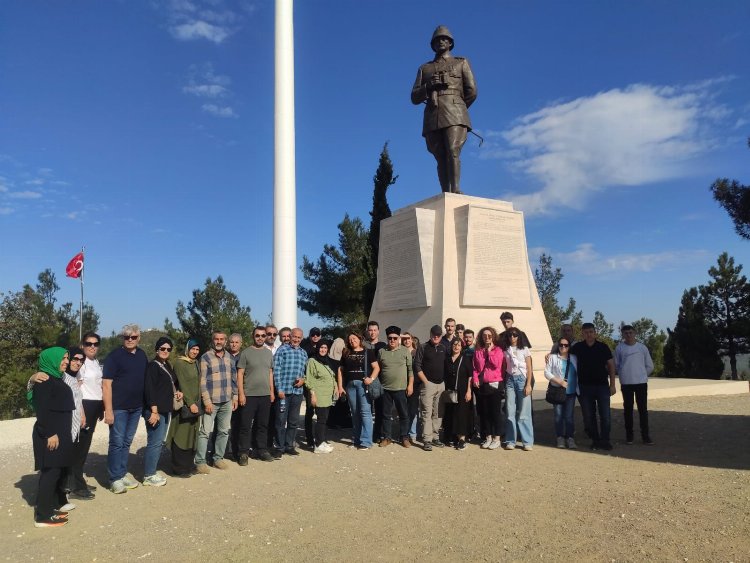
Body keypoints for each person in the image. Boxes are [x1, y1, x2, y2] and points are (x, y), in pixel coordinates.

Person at [411, 25, 477, 194]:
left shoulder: (461, 62)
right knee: (439, 155)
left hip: (456, 112)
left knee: (453, 149)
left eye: (444, 39)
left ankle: (455, 190)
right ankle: (445, 192)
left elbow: (472, 91)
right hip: (433, 114)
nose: (441, 41)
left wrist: (459, 107)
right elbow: (414, 97)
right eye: (437, 39)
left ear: (450, 43)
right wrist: (429, 86)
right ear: (433, 44)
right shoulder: (424, 68)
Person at [30, 347, 75, 527]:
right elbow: (42, 410)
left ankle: (52, 506)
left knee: (57, 471)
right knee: (50, 473)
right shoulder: (44, 381)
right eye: (62, 358)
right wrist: (49, 433)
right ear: (52, 360)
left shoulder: (56, 378)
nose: (66, 361)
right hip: (50, 434)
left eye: (67, 358)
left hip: (59, 433)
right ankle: (42, 516)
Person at [103, 324, 148, 494]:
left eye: (133, 337)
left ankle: (121, 473)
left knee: (127, 442)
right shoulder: (114, 357)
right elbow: (106, 384)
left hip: (136, 408)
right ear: (122, 338)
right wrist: (108, 410)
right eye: (126, 337)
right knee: (116, 442)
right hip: (118, 408)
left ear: (139, 338)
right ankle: (114, 478)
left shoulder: (142, 355)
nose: (130, 340)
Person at [195, 331, 238, 473]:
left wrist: (235, 396)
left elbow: (234, 378)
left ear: (225, 341)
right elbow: (202, 382)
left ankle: (217, 458)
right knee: (204, 432)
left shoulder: (230, 357)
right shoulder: (206, 357)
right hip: (211, 402)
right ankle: (200, 461)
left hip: (226, 401)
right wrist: (206, 401)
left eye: (221, 339)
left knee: (223, 431)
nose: (219, 341)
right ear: (212, 341)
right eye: (216, 339)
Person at [143, 337, 182, 487]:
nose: (165, 351)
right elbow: (149, 389)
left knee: (159, 442)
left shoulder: (166, 365)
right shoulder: (153, 366)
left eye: (168, 349)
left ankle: (151, 471)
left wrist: (178, 391)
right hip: (155, 411)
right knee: (154, 442)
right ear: (157, 349)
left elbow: (173, 383)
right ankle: (148, 475)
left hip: (165, 410)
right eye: (162, 348)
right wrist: (153, 411)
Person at [571, 323, 616, 451]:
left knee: (605, 415)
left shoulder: (603, 347)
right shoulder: (577, 347)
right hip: (585, 387)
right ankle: (595, 440)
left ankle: (605, 440)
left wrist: (612, 384)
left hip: (602, 386)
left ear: (595, 333)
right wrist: (550, 356)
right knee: (589, 416)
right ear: (582, 334)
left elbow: (611, 366)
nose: (589, 334)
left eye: (591, 332)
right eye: (586, 332)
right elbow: (566, 359)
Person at [71, 332, 103, 499]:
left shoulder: (94, 362)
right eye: (88, 343)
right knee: (80, 448)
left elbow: (97, 385)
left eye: (95, 343)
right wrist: (82, 412)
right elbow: (76, 388)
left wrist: (101, 408)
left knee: (84, 446)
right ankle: (76, 486)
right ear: (82, 344)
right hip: (85, 408)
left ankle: (77, 480)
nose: (92, 346)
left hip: (94, 407)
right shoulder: (80, 363)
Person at [236, 327, 276, 464]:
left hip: (265, 395)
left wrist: (271, 392)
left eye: (263, 335)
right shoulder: (246, 353)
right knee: (245, 425)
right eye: (257, 335)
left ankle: (261, 450)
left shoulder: (268, 353)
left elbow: (270, 373)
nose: (260, 338)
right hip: (249, 395)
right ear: (253, 336)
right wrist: (241, 394)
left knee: (262, 425)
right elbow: (240, 374)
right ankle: (243, 453)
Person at [337, 331, 380, 450]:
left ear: (359, 339)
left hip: (363, 385)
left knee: (365, 413)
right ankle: (357, 440)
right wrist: (340, 386)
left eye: (354, 338)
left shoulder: (368, 352)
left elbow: (376, 367)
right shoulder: (346, 353)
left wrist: (371, 379)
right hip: (350, 386)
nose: (352, 341)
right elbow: (340, 370)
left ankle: (366, 442)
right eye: (350, 339)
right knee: (355, 413)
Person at [166, 338, 201, 476]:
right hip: (185, 406)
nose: (195, 352)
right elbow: (182, 384)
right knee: (181, 434)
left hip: (195, 405)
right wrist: (190, 402)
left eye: (197, 349)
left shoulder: (196, 363)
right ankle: (178, 468)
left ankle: (188, 465)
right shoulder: (180, 363)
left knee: (191, 435)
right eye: (193, 349)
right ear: (187, 349)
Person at [615, 325, 654, 445]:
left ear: (635, 333)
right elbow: (616, 365)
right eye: (626, 333)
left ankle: (645, 436)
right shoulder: (619, 348)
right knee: (628, 410)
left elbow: (650, 365)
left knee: (643, 410)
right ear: (622, 335)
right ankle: (629, 436)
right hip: (626, 383)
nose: (628, 335)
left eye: (630, 332)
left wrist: (642, 375)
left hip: (641, 383)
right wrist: (623, 375)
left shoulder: (642, 348)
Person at [272, 328, 308, 456]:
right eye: (294, 337)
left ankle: (289, 445)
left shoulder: (304, 353)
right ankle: (279, 447)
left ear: (302, 338)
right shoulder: (282, 350)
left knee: (293, 421)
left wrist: (303, 380)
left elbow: (306, 373)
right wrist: (279, 389)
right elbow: (276, 370)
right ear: (290, 336)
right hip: (284, 392)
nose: (296, 339)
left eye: (299, 337)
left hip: (297, 393)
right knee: (280, 420)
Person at [377, 326, 413, 448]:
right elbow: (378, 368)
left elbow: (410, 370)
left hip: (401, 388)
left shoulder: (405, 351)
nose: (392, 340)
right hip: (385, 389)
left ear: (399, 338)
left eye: (394, 338)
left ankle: (404, 437)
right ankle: (387, 437)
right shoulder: (382, 351)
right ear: (387, 338)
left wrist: (410, 385)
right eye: (390, 338)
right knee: (386, 414)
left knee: (403, 414)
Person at [414, 325, 447, 451]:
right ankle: (427, 439)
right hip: (428, 384)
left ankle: (435, 436)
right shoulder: (423, 347)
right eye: (434, 334)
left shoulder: (444, 348)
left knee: (438, 412)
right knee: (426, 412)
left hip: (441, 384)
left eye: (438, 335)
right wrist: (425, 382)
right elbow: (417, 365)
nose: (436, 336)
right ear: (430, 333)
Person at [472, 327, 505, 450]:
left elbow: (496, 364)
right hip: (483, 384)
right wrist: (475, 378)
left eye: (489, 336)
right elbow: (475, 367)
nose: (487, 338)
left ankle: (497, 438)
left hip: (495, 384)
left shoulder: (498, 350)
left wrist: (490, 351)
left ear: (493, 337)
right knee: (485, 413)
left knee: (495, 412)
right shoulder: (478, 351)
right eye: (484, 335)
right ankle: (488, 437)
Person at [544, 337, 578, 449]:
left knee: (569, 417)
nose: (563, 347)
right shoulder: (553, 357)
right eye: (561, 345)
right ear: (558, 346)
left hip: (571, 392)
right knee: (558, 416)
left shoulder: (574, 358)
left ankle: (570, 438)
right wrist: (559, 381)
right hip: (558, 391)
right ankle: (560, 437)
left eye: (566, 345)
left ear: (569, 347)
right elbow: (547, 372)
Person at [304, 341, 338, 453]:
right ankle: (318, 445)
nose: (323, 350)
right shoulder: (312, 361)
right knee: (321, 419)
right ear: (317, 348)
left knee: (324, 419)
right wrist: (312, 394)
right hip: (319, 395)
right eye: (321, 348)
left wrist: (336, 387)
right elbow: (309, 379)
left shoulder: (326, 362)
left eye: (325, 348)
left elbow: (331, 376)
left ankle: (322, 441)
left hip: (327, 396)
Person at [503, 329, 534, 451]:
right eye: (510, 335)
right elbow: (505, 367)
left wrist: (528, 384)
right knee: (510, 411)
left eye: (515, 335)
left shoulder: (525, 349)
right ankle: (511, 440)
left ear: (518, 336)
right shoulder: (505, 350)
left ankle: (527, 441)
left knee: (524, 412)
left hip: (522, 380)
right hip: (510, 380)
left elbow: (530, 368)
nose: (512, 337)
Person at [442, 338, 473, 449]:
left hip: (463, 391)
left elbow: (470, 376)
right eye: (454, 344)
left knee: (461, 415)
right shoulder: (447, 360)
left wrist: (469, 391)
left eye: (458, 345)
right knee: (450, 413)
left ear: (461, 347)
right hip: (450, 391)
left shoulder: (465, 359)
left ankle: (462, 439)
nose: (456, 346)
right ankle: (451, 436)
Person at [364, 321, 386, 443]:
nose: (372, 332)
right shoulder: (363, 345)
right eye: (370, 330)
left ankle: (378, 434)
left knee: (379, 409)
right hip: (366, 380)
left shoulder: (383, 345)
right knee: (366, 410)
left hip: (380, 381)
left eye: (374, 330)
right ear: (367, 331)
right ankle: (366, 434)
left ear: (378, 331)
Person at [401, 333, 420, 444]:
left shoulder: (417, 352)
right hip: (402, 383)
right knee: (403, 410)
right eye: (404, 339)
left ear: (412, 339)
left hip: (415, 384)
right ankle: (404, 433)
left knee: (413, 410)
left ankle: (412, 433)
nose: (407, 341)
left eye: (408, 339)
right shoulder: (400, 352)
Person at [227, 333, 243, 461]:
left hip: (240, 395)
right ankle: (223, 451)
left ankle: (236, 450)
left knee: (238, 424)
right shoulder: (224, 357)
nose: (234, 344)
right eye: (232, 342)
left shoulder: (244, 357)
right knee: (223, 426)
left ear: (241, 344)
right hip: (226, 395)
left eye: (237, 342)